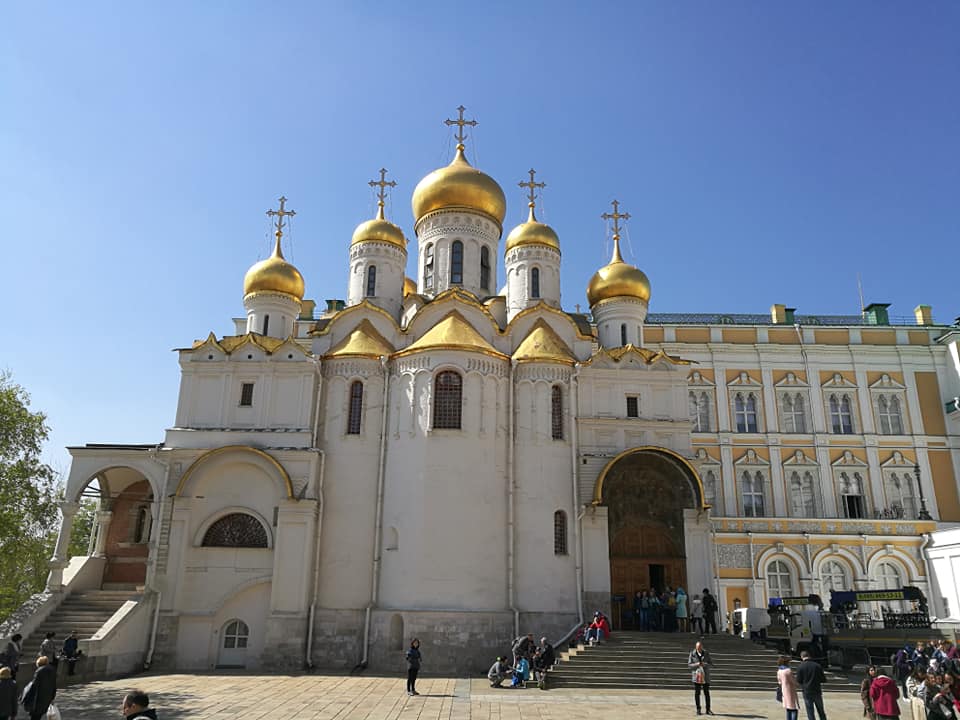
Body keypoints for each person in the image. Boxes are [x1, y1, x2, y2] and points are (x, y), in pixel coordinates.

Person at [796, 650, 828, 720]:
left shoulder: (800, 667)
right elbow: (823, 679)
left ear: (802, 657)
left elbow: (799, 681)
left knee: (810, 711)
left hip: (807, 692)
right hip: (817, 691)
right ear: (809, 656)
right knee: (821, 710)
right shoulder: (817, 666)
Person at [21, 655, 56, 720]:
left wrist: (25, 696)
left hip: (37, 698)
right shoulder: (52, 671)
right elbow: (54, 685)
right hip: (46, 697)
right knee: (39, 715)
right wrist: (52, 697)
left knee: (34, 715)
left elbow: (34, 685)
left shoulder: (39, 671)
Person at [688, 639, 714, 715]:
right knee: (697, 693)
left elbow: (711, 663)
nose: (699, 649)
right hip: (697, 677)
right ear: (696, 648)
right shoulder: (692, 654)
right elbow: (689, 664)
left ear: (702, 647)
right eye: (697, 648)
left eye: (700, 647)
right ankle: (698, 709)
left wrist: (704, 664)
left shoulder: (706, 653)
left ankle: (708, 709)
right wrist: (697, 664)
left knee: (707, 693)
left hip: (705, 676)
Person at [778, 655, 800, 720]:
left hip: (784, 690)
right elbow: (794, 681)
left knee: (788, 708)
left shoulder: (779, 671)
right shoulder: (788, 671)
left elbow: (779, 682)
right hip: (790, 690)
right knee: (794, 709)